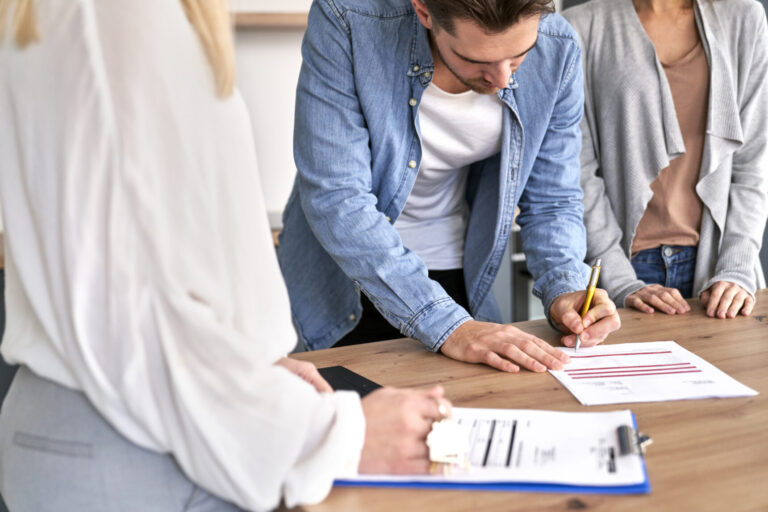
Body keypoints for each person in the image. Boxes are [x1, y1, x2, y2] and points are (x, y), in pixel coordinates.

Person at [0, 0, 452, 510]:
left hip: (145, 430)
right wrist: (335, 435)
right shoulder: (115, 12)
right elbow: (139, 312)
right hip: (141, 446)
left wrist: (255, 361)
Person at [278, 0, 622, 370]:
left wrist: (565, 286)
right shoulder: (349, 18)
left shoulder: (557, 45)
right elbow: (337, 198)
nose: (503, 79)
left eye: (519, 55)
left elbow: (552, 199)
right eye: (477, 61)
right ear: (424, 12)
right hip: (342, 280)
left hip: (457, 272)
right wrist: (447, 325)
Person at [564, 0, 768, 319]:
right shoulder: (579, 26)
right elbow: (578, 174)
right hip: (620, 274)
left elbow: (754, 163)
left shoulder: (743, 17)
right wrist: (619, 281)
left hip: (719, 274)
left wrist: (737, 269)